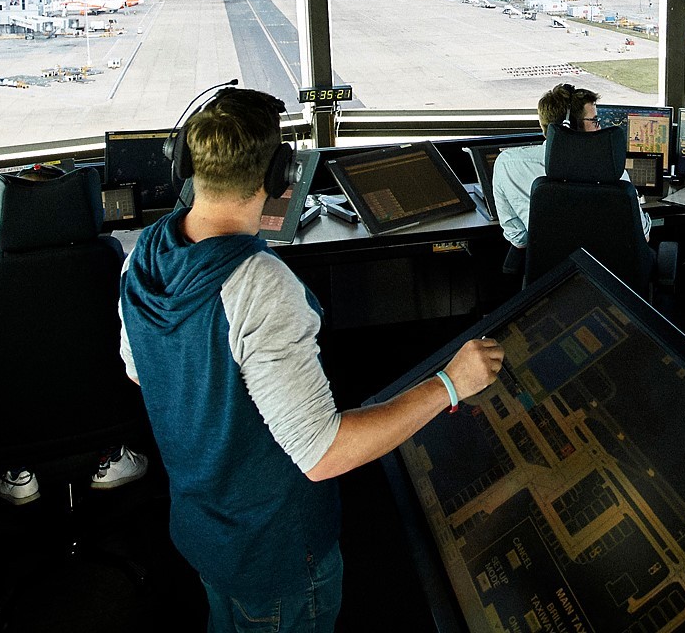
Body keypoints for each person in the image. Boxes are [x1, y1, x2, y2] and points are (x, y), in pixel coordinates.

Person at [118, 87, 505, 633]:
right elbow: (323, 455)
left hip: (205, 529)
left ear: (184, 160)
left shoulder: (143, 255)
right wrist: (450, 382)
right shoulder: (258, 284)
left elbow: (143, 372)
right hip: (276, 552)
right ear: (280, 175)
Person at [0, 164, 149, 506]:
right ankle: (111, 455)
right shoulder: (111, 262)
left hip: (14, 420)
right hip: (102, 412)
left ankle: (19, 471)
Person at [492, 82, 596, 283]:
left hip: (548, 285)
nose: (600, 127)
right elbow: (643, 236)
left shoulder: (507, 164)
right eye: (594, 121)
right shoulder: (611, 169)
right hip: (611, 284)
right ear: (570, 126)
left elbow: (520, 239)